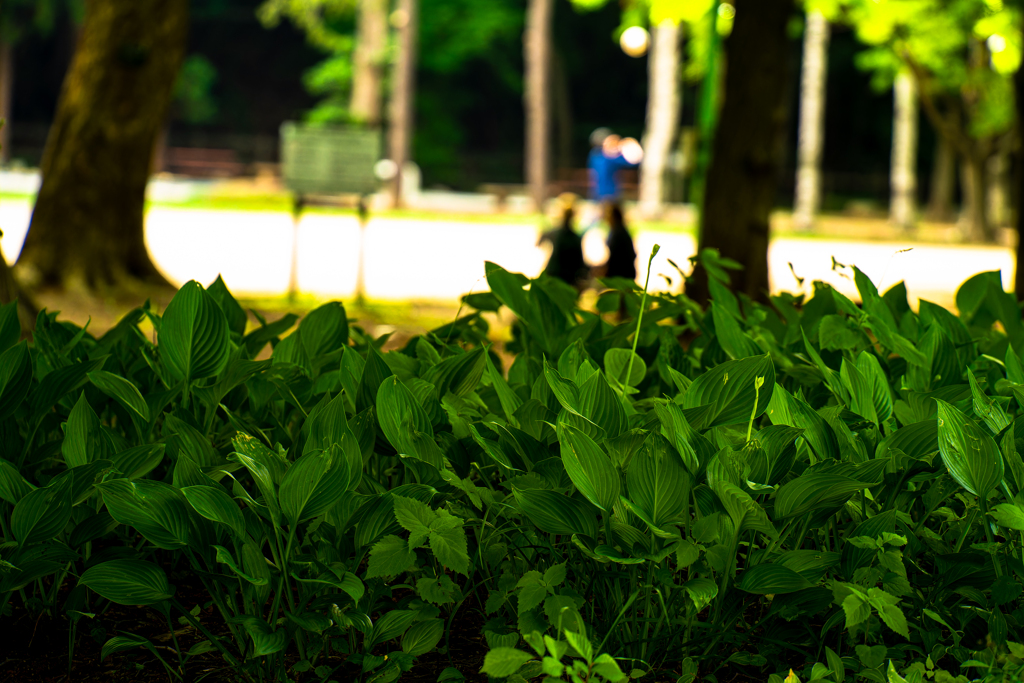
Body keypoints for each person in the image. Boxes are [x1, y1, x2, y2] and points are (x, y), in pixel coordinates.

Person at [538, 193, 587, 290]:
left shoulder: (555, 233)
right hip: (568, 276)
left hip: (554, 273)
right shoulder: (576, 237)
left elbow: (539, 242)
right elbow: (580, 262)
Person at [587, 128, 644, 213]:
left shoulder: (594, 154)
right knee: (612, 216)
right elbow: (634, 161)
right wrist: (625, 146)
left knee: (597, 215)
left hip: (596, 190)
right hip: (611, 192)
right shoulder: (609, 158)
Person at [602, 203, 637, 281]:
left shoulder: (617, 234)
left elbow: (615, 259)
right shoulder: (620, 231)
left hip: (621, 276)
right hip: (626, 274)